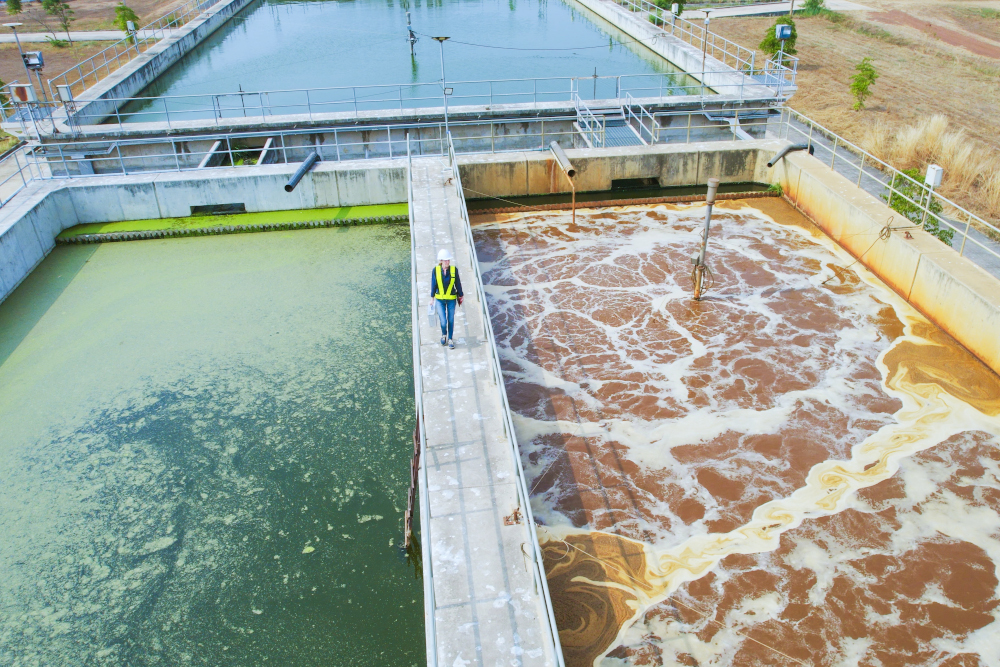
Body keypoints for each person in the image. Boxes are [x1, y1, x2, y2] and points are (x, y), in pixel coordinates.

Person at [431, 249, 464, 349]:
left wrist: (461, 295)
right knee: (443, 321)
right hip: (440, 300)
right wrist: (432, 298)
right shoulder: (435, 270)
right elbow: (433, 284)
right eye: (445, 260)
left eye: (448, 260)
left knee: (450, 319)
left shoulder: (454, 270)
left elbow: (458, 284)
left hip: (451, 299)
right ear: (441, 261)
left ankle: (450, 339)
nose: (447, 262)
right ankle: (444, 335)